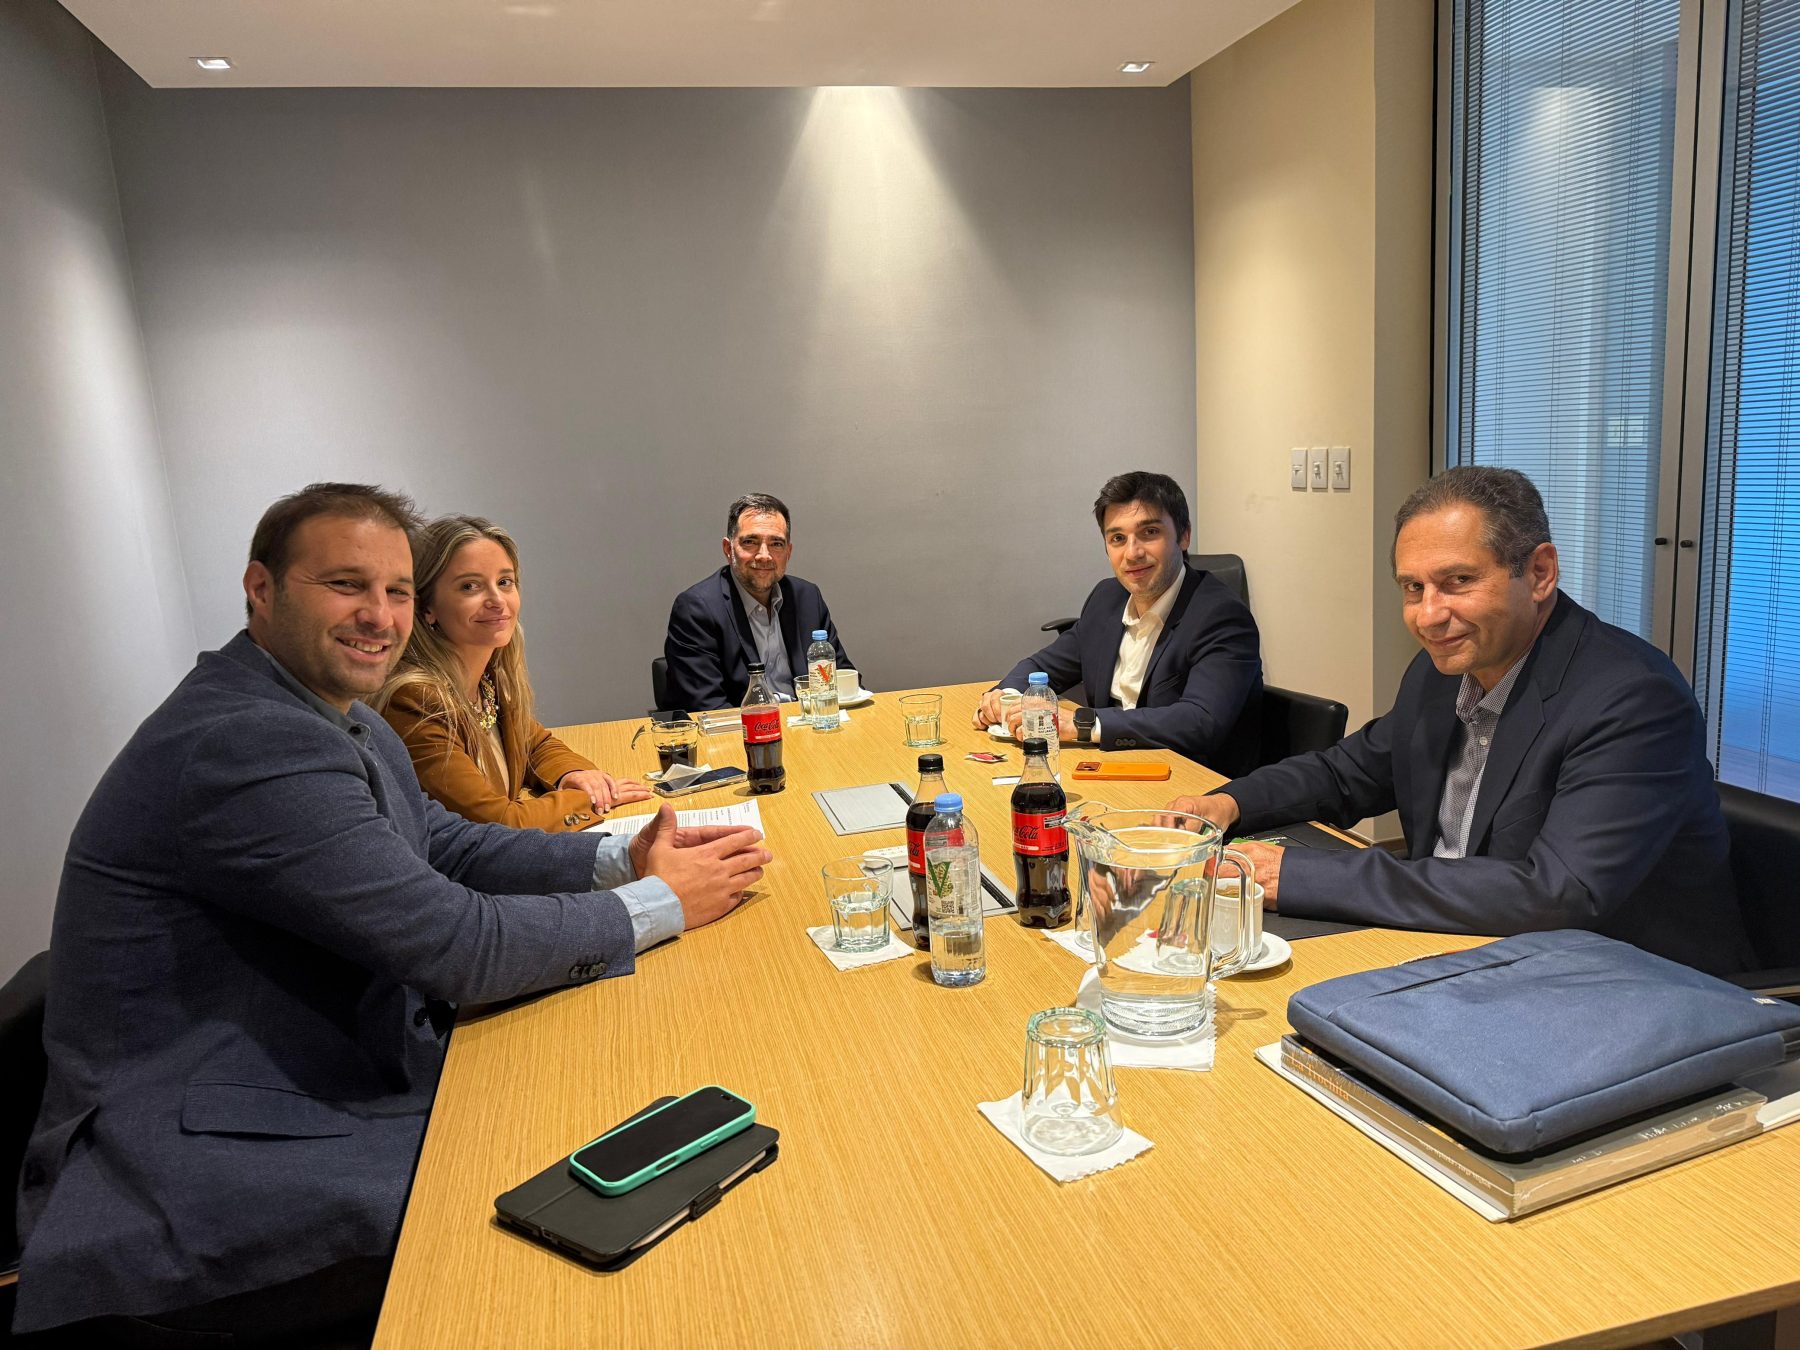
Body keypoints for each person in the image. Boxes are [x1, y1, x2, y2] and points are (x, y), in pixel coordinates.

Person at [13, 483, 771, 1345]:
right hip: (203, 1148)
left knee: (609, 1111)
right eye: (346, 584)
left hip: (322, 1068)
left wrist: (619, 859)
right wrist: (661, 903)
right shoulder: (243, 741)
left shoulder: (338, 715)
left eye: (398, 591)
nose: (380, 616)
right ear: (261, 588)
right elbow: (454, 944)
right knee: (570, 1221)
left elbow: (446, 844)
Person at [1169, 465, 1753, 974]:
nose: (1428, 616)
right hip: (1463, 946)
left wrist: (1297, 876)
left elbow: (1558, 893)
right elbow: (1347, 773)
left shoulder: (1633, 698)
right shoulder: (1443, 671)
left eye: (1458, 582)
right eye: (1413, 587)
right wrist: (1227, 804)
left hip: (1627, 983)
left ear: (1540, 573)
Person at [972, 471, 1263, 774]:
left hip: (1189, 778)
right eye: (1118, 539)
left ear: (1184, 535)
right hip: (1109, 766)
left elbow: (1200, 721)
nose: (1132, 553)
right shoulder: (1107, 597)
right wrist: (1007, 697)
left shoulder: (1222, 617)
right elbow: (1041, 666)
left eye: (1150, 532)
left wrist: (1082, 724)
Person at [374, 515, 649, 831]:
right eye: (470, 586)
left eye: (505, 582)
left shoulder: (488, 679)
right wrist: (587, 799)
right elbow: (500, 823)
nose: (497, 600)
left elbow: (534, 744)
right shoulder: (414, 701)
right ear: (426, 608)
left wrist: (573, 774)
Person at [663, 493, 854, 712]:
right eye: (750, 542)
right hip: (746, 728)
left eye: (776, 544)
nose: (764, 555)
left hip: (811, 722)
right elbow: (708, 707)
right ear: (728, 549)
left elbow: (843, 679)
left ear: (788, 552)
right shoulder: (696, 608)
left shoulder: (808, 597)